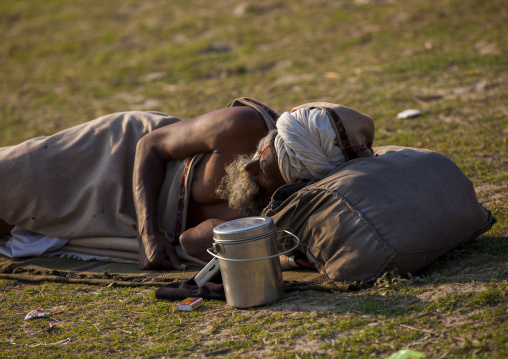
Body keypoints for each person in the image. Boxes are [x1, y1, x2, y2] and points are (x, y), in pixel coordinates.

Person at [0, 99, 374, 271]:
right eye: (263, 152)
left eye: (265, 171)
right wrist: (149, 235)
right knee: (10, 181)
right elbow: (150, 146)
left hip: (125, 221)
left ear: (293, 184)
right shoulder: (241, 125)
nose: (251, 166)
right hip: (118, 155)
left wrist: (227, 238)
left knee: (10, 228)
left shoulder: (280, 210)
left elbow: (193, 241)